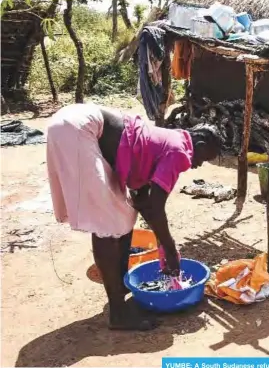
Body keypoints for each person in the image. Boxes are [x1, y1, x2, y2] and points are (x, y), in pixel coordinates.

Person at [46, 103, 223, 331]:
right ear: (199, 145)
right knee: (107, 224)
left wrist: (162, 243)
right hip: (79, 128)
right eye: (204, 159)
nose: (198, 165)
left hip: (73, 121)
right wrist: (169, 248)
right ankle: (118, 314)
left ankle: (120, 287)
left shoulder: (169, 142)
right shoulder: (180, 151)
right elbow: (156, 207)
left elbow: (142, 201)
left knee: (125, 214)